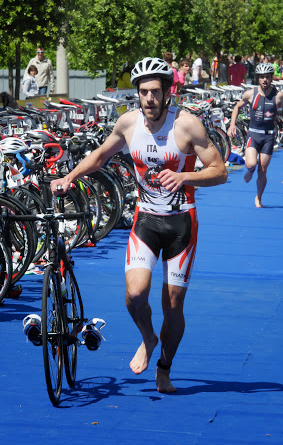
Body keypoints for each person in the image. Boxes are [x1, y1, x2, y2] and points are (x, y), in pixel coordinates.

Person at [50, 56, 228, 393]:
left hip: (181, 225)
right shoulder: (128, 123)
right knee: (134, 296)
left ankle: (164, 367)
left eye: (155, 92)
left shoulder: (187, 125)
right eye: (144, 92)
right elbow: (102, 155)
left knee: (172, 306)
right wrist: (70, 176)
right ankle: (148, 336)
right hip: (145, 220)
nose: (149, 99)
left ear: (167, 93)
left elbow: (219, 171)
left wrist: (184, 175)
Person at [227, 62, 283, 208]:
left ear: (271, 78)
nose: (264, 80)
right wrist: (232, 124)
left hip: (268, 137)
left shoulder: (279, 96)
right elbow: (237, 107)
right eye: (262, 77)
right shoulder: (250, 94)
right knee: (252, 163)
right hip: (253, 135)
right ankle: (250, 169)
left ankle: (258, 198)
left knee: (263, 170)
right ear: (258, 78)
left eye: (267, 77)